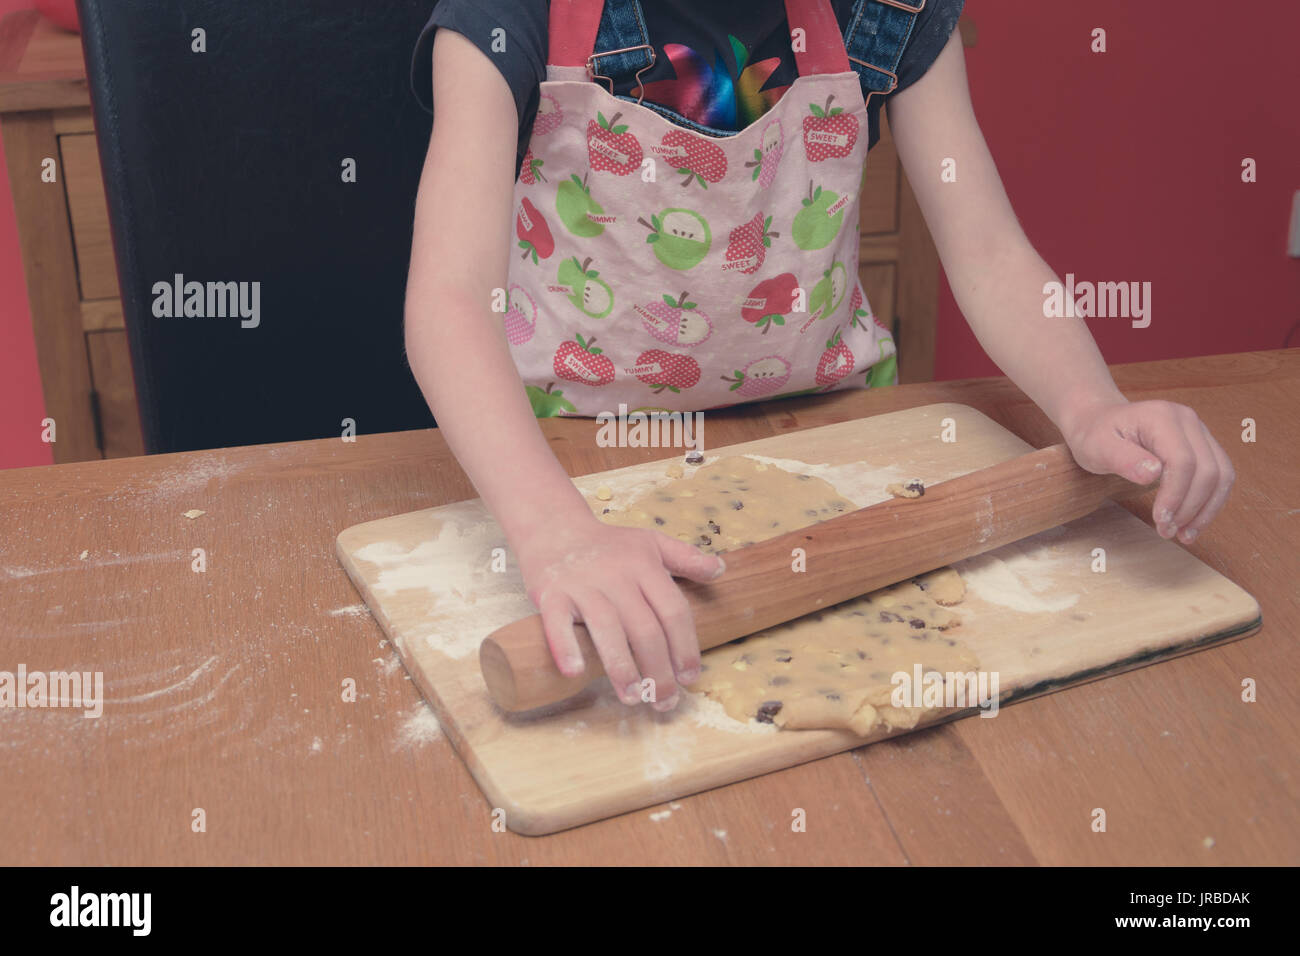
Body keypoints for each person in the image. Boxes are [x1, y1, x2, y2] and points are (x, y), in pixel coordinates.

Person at [402, 0, 1235, 713]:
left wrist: (1090, 405)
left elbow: (985, 248)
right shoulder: (507, 18)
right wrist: (555, 532)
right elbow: (448, 298)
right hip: (573, 452)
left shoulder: (887, 14)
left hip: (837, 434)